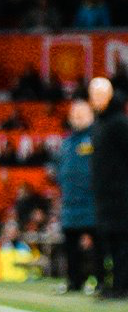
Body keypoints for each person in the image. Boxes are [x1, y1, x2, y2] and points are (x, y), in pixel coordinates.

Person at [87, 77, 128, 299]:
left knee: (121, 241)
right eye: (93, 95)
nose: (95, 99)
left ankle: (121, 286)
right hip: (104, 195)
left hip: (120, 195)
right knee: (110, 241)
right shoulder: (100, 124)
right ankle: (113, 284)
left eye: (100, 94)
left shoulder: (119, 123)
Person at [53, 98, 97, 293]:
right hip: (69, 203)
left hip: (92, 201)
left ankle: (99, 279)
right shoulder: (67, 142)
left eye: (82, 114)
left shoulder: (96, 137)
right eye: (75, 114)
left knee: (97, 244)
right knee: (70, 244)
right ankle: (74, 280)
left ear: (91, 115)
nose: (77, 117)